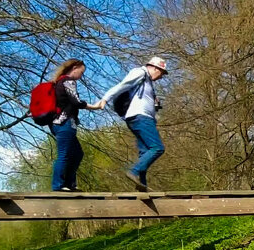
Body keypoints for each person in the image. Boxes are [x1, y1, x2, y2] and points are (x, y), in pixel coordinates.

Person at [99, 56, 169, 192]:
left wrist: (155, 104)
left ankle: (141, 186)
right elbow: (123, 85)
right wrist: (105, 98)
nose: (161, 77)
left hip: (141, 117)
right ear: (154, 68)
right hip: (140, 116)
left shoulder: (148, 81)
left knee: (145, 152)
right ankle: (133, 171)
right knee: (157, 148)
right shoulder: (140, 72)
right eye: (161, 73)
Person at [48, 59, 103, 192]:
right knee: (64, 154)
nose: (81, 76)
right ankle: (58, 186)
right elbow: (76, 101)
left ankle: (69, 184)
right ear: (75, 67)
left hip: (59, 124)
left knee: (77, 153)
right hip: (64, 122)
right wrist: (95, 106)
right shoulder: (67, 81)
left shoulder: (58, 82)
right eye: (81, 72)